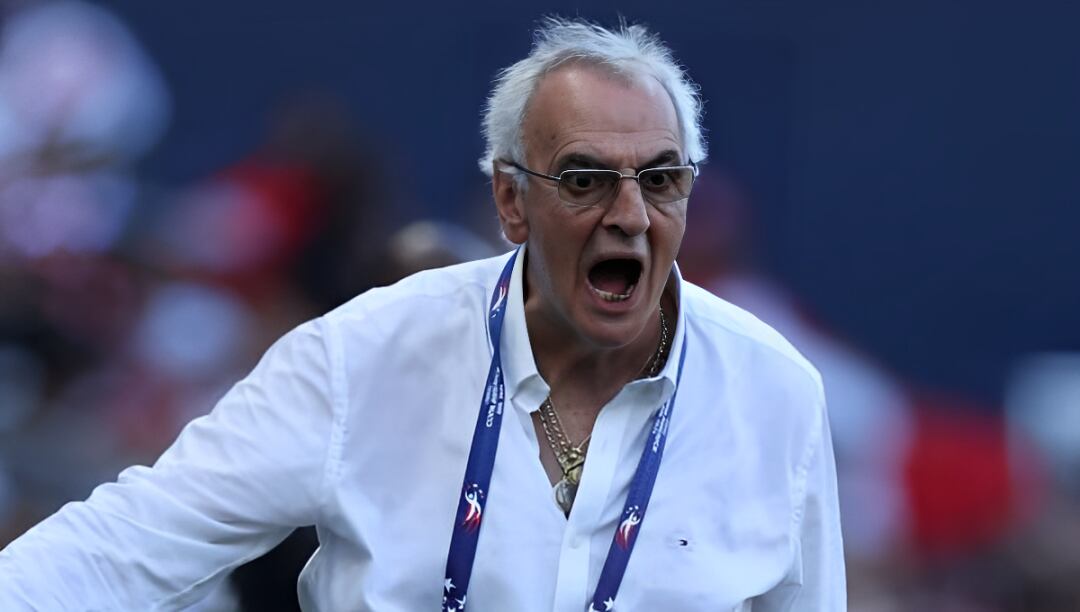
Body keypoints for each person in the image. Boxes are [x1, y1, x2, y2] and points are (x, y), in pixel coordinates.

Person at [0, 18, 845, 611]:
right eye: (584, 180)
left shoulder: (774, 396)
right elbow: (125, 549)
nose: (629, 214)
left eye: (660, 180)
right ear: (510, 202)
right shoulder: (359, 358)